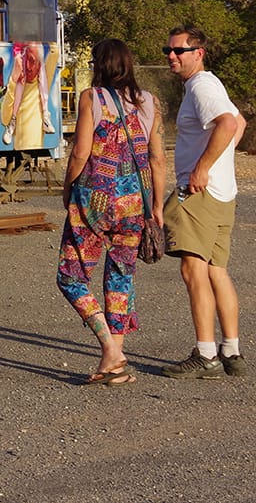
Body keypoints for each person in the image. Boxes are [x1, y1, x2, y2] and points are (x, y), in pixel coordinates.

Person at [55, 39, 166, 386]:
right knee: (120, 280)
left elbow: (80, 153)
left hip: (95, 205)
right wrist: (157, 207)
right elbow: (158, 159)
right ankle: (113, 363)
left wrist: (67, 188)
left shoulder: (92, 98)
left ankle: (110, 348)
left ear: (100, 65)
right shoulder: (150, 102)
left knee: (70, 276)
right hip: (135, 206)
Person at [160, 26, 248, 379]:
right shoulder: (209, 84)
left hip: (201, 193)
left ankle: (206, 355)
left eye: (179, 50)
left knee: (192, 270)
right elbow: (239, 122)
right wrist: (219, 162)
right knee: (216, 270)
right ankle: (231, 351)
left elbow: (228, 123)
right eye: (168, 50)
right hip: (223, 192)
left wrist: (202, 168)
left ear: (198, 52)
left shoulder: (200, 85)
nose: (171, 56)